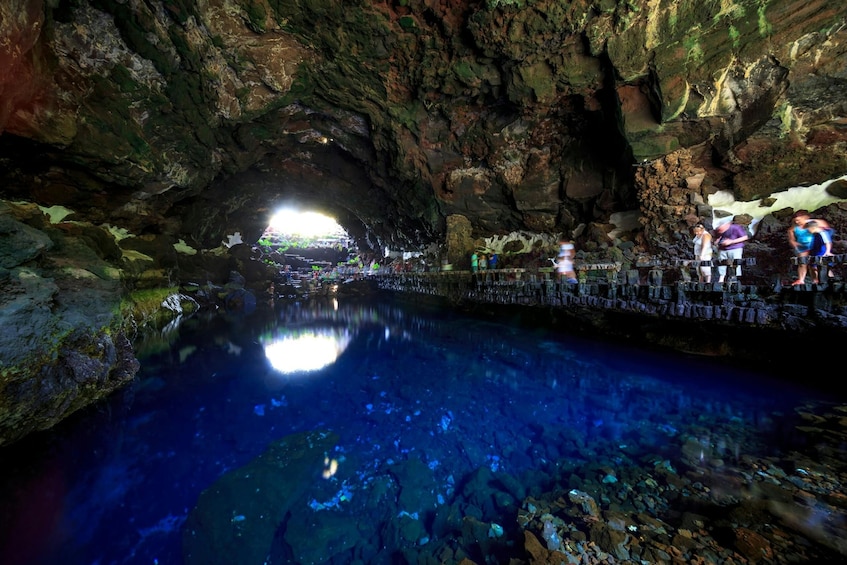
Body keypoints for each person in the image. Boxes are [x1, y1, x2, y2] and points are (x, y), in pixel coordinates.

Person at [788, 210, 832, 285]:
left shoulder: (812, 223)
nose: (797, 222)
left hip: (815, 246)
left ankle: (829, 279)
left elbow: (826, 230)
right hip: (803, 247)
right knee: (804, 263)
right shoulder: (793, 228)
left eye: (799, 220)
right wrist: (794, 243)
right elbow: (791, 237)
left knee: (820, 264)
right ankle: (805, 280)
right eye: (796, 221)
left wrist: (828, 251)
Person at [714, 218, 749, 283]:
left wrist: (732, 241)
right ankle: (721, 279)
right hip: (722, 249)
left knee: (735, 263)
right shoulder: (719, 230)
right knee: (721, 263)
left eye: (722, 228)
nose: (721, 230)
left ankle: (734, 279)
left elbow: (745, 237)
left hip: (735, 248)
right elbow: (718, 237)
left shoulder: (736, 228)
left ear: (727, 225)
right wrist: (717, 241)